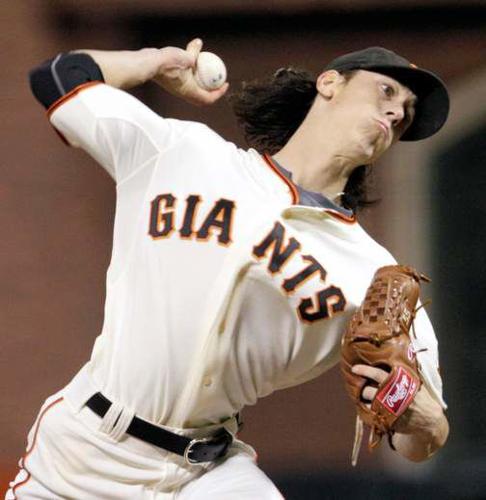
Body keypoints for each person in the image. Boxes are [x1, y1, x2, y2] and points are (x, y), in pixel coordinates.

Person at [8, 40, 449, 499]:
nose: (398, 112)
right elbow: (57, 79)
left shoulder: (372, 270)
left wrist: (422, 418)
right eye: (386, 91)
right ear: (330, 83)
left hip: (205, 475)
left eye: (408, 112)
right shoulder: (182, 153)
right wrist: (152, 63)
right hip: (83, 452)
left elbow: (423, 438)